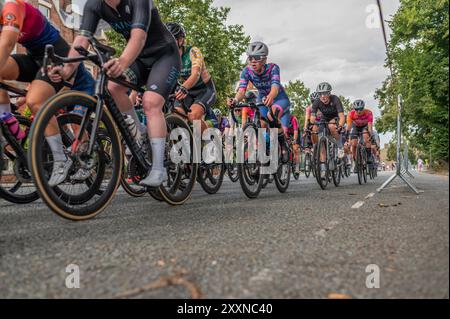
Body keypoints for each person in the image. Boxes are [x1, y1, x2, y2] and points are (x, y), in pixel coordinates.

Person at [50, 0, 181, 188]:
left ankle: (159, 169)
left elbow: (139, 37)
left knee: (150, 103)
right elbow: (81, 41)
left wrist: (122, 61)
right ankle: (141, 133)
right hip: (140, 59)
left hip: (165, 56)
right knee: (112, 88)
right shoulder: (94, 5)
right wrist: (66, 69)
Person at [0, 0, 95, 186]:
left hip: (57, 58)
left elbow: (7, 44)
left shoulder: (12, 6)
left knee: (34, 100)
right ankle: (6, 120)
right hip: (35, 59)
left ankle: (61, 160)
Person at [227, 41, 292, 161]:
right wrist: (235, 100)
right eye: (250, 57)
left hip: (279, 97)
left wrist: (271, 96)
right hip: (262, 97)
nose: (253, 61)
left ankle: (283, 146)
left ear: (264, 59)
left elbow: (275, 87)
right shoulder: (246, 71)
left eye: (256, 58)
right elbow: (241, 91)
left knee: (271, 116)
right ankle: (265, 151)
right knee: (261, 124)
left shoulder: (273, 68)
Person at [166, 22, 216, 133]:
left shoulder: (193, 51)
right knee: (176, 116)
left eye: (172, 38)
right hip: (187, 92)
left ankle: (210, 139)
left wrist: (183, 87)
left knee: (193, 116)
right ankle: (186, 146)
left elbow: (195, 74)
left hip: (205, 90)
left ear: (181, 40)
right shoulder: (168, 58)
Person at [310, 82, 345, 177]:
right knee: (320, 138)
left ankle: (339, 146)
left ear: (329, 93)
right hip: (324, 118)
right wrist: (312, 123)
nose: (323, 96)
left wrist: (340, 125)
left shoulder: (335, 99)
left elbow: (342, 116)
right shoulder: (317, 102)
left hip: (335, 117)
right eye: (320, 94)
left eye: (325, 93)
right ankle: (323, 168)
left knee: (331, 126)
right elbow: (312, 117)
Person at [346, 99, 374, 172]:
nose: (358, 111)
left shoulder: (368, 113)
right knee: (354, 143)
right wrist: (347, 134)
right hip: (355, 126)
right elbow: (348, 126)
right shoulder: (351, 114)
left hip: (365, 126)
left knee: (366, 137)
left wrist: (371, 135)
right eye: (356, 109)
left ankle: (368, 155)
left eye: (360, 109)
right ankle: (356, 163)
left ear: (363, 108)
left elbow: (370, 126)